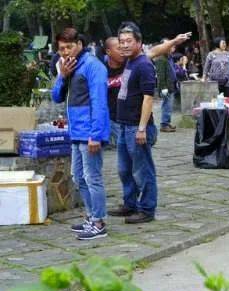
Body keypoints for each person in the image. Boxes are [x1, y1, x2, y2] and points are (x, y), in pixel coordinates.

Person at [51, 28, 110, 240]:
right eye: (61, 49)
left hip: (89, 133)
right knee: (78, 177)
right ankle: (91, 216)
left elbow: (99, 103)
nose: (65, 52)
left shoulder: (93, 66)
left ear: (79, 44)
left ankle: (99, 222)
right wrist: (62, 76)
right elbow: (56, 97)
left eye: (69, 47)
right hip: (75, 132)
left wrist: (96, 135)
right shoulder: (69, 68)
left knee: (92, 177)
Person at [108, 22, 158, 224]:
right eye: (122, 42)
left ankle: (147, 209)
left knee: (143, 170)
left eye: (129, 41)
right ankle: (130, 204)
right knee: (124, 169)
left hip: (136, 127)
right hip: (123, 124)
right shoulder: (129, 62)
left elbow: (148, 98)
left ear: (139, 42)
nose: (125, 45)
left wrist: (141, 128)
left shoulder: (144, 65)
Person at [154, 38, 178, 132]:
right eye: (167, 45)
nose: (170, 47)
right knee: (166, 105)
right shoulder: (160, 58)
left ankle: (167, 122)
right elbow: (160, 75)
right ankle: (164, 124)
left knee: (169, 105)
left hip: (171, 85)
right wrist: (164, 88)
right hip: (166, 87)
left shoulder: (169, 57)